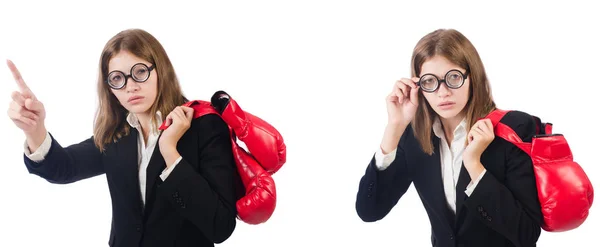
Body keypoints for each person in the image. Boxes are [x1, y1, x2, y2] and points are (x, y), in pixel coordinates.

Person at [7, 29, 242, 247]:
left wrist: (170, 150)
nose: (130, 86)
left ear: (161, 70)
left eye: (139, 72)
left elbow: (220, 226)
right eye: (117, 78)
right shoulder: (117, 135)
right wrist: (34, 129)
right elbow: (64, 167)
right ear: (110, 87)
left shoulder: (206, 126)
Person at [355, 29, 543, 247]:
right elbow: (369, 210)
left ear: (472, 76)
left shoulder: (514, 128)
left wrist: (475, 166)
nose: (442, 92)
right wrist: (394, 128)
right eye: (429, 81)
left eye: (453, 77)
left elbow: (527, 234)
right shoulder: (414, 138)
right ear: (418, 86)